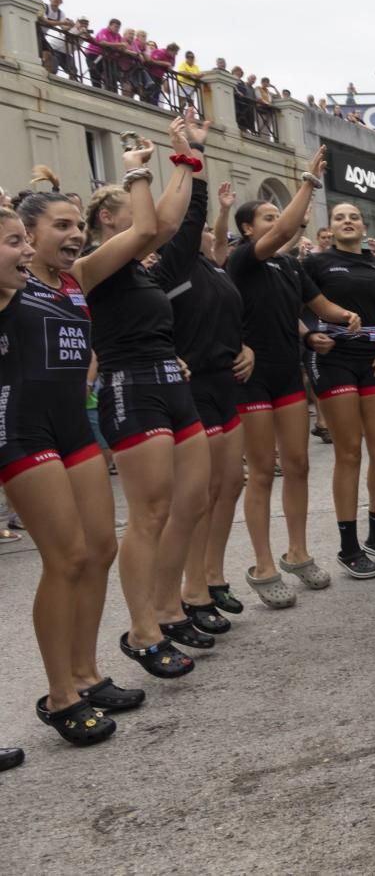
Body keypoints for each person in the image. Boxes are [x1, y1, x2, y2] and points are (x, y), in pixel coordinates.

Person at [6, 177, 141, 745]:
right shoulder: (11, 286)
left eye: (77, 225)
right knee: (65, 558)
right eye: (59, 226)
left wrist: (155, 172)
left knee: (100, 548)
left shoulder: (71, 282)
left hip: (71, 428)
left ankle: (85, 674)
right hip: (22, 430)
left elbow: (148, 231)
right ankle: (59, 696)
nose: (75, 234)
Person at [82, 117, 213, 680]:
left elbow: (163, 224)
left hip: (170, 382)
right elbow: (145, 229)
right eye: (127, 203)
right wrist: (138, 171)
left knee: (192, 501)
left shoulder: (139, 269)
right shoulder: (95, 265)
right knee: (150, 513)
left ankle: (166, 606)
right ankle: (142, 630)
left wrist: (186, 163)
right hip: (129, 386)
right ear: (104, 220)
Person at [228, 147, 355, 608]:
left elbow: (316, 309)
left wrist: (341, 321)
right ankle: (262, 563)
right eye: (265, 216)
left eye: (274, 215)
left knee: (298, 465)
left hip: (287, 373)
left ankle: (297, 552)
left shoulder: (289, 265)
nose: (275, 221)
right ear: (247, 228)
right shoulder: (244, 259)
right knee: (262, 471)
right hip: (252, 377)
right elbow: (287, 228)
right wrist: (308, 182)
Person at [165, 178, 252, 628]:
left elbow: (229, 316)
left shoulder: (213, 267)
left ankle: (213, 574)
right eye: (191, 224)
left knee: (231, 484)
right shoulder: (171, 268)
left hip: (226, 382)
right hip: (193, 386)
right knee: (199, 494)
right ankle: (192, 588)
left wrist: (246, 346)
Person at [302, 203, 375, 578]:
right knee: (348, 453)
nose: (347, 221)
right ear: (329, 227)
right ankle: (348, 546)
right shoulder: (314, 263)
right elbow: (297, 309)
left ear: (364, 226)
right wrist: (310, 336)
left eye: (354, 217)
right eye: (340, 217)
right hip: (334, 359)